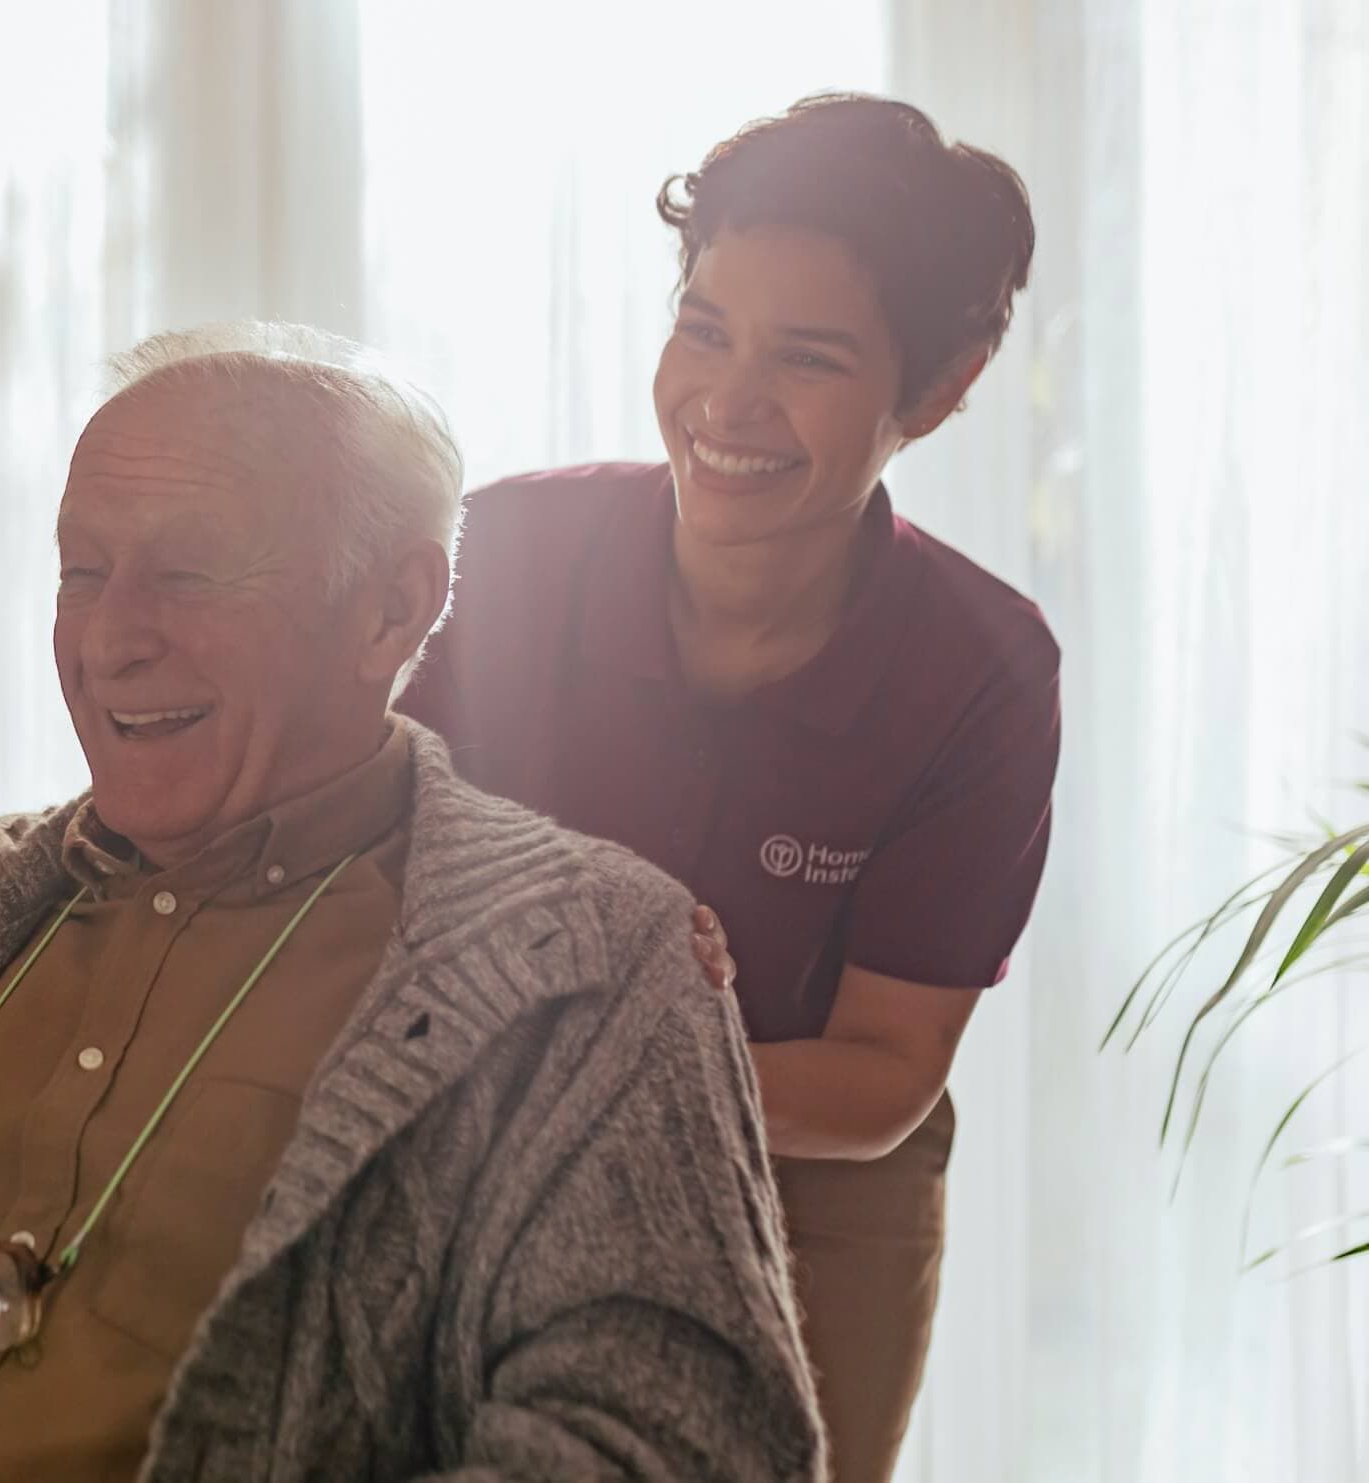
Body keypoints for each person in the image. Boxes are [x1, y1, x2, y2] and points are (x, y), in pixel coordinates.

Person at [0, 322, 825, 1483]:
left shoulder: (589, 962)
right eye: (82, 571)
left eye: (188, 576)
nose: (110, 639)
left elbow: (672, 1447)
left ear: (391, 610)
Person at [399, 95, 1059, 1482]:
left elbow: (884, 1073)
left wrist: (620, 1057)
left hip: (805, 1175)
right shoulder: (505, 553)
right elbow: (362, 872)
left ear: (940, 388)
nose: (727, 404)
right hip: (483, 1127)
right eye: (704, 330)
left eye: (807, 359)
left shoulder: (981, 674)